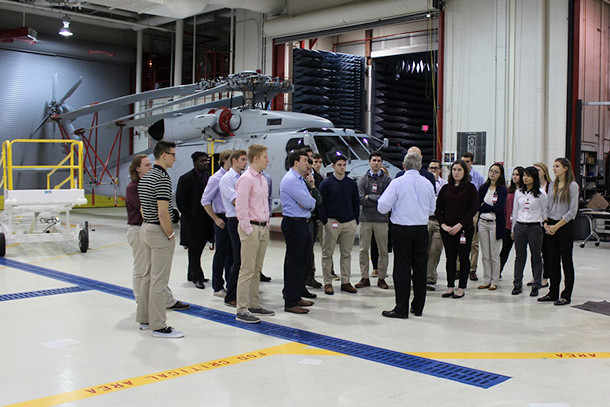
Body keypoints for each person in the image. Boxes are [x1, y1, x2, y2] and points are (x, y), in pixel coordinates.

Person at [126, 154, 189, 312]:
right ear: (138, 168)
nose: (150, 168)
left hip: (150, 228)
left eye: (150, 165)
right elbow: (145, 210)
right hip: (139, 228)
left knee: (157, 269)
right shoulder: (134, 187)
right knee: (142, 268)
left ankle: (166, 300)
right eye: (147, 165)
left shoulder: (148, 184)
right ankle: (141, 300)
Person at [378, 151, 435, 318]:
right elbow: (432, 209)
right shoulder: (427, 183)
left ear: (403, 165)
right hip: (421, 229)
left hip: (401, 228)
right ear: (420, 166)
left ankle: (401, 307)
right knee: (420, 268)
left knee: (402, 268)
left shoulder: (397, 182)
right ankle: (418, 307)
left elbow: (382, 206)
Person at [137, 141, 184, 338]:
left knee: (148, 276)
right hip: (158, 231)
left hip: (145, 228)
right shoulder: (163, 179)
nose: (175, 158)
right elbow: (163, 212)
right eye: (173, 154)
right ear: (163, 155)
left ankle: (144, 318)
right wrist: (170, 234)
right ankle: (158, 325)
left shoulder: (145, 178)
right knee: (159, 280)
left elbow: (142, 208)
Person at [234, 144, 275, 323]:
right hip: (250, 228)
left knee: (257, 269)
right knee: (247, 270)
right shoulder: (246, 179)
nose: (268, 160)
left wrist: (266, 225)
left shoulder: (262, 179)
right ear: (256, 159)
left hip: (262, 227)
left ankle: (254, 303)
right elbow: (241, 208)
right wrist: (249, 229)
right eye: (265, 156)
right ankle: (241, 309)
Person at [280, 149, 321, 314]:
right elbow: (309, 202)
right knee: (294, 264)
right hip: (294, 224)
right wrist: (310, 200)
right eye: (305, 160)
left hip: (303, 222)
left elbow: (311, 201)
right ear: (296, 162)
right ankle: (290, 301)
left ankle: (296, 295)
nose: (308, 163)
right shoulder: (291, 180)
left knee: (302, 262)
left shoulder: (300, 180)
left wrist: (310, 200)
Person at [435, 160, 479, 299]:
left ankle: (461, 287)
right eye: (454, 169)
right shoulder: (446, 188)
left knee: (464, 258)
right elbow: (438, 209)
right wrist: (443, 225)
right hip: (447, 230)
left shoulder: (470, 188)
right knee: (450, 258)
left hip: (463, 229)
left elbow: (473, 209)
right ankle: (450, 286)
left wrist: (460, 224)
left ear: (465, 172)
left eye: (459, 170)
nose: (456, 172)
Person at [539, 158, 579, 306]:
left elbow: (572, 211)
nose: (554, 169)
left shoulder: (572, 186)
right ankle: (553, 292)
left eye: (557, 166)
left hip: (565, 225)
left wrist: (557, 226)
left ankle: (566, 295)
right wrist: (546, 222)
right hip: (551, 224)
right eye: (553, 166)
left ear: (565, 168)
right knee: (552, 260)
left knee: (566, 261)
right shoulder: (553, 185)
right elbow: (548, 205)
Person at [319, 155, 360, 295]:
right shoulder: (326, 184)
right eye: (339, 165)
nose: (342, 167)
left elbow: (356, 203)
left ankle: (346, 282)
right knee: (327, 253)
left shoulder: (351, 184)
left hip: (349, 222)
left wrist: (355, 220)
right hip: (332, 222)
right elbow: (321, 204)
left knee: (346, 254)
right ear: (333, 166)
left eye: (344, 165)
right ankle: (328, 282)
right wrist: (325, 221)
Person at [176, 152, 214, 289]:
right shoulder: (185, 179)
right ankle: (197, 277)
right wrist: (189, 214)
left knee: (199, 248)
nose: (205, 163)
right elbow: (180, 199)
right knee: (194, 249)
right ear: (195, 163)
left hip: (205, 220)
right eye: (202, 161)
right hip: (192, 221)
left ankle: (191, 274)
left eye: (206, 161)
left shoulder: (208, 178)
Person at [356, 151, 392, 290]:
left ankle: (382, 278)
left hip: (382, 220)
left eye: (379, 161)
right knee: (363, 249)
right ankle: (364, 277)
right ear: (369, 162)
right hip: (365, 219)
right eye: (374, 160)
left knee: (383, 250)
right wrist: (378, 198)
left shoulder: (387, 181)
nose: (376, 163)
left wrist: (368, 197)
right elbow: (360, 199)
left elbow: (388, 200)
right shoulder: (363, 180)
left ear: (381, 163)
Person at [511, 166, 548, 297]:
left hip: (534, 227)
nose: (525, 178)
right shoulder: (519, 192)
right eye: (524, 175)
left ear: (534, 178)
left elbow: (545, 212)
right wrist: (513, 229)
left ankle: (536, 284)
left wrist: (545, 226)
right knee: (519, 257)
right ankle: (517, 284)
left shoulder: (541, 194)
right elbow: (515, 211)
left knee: (536, 257)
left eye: (528, 176)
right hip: (520, 226)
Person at [201, 150, 234, 297]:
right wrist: (215, 218)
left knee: (232, 254)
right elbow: (205, 200)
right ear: (226, 160)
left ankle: (231, 282)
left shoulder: (234, 177)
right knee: (221, 252)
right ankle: (217, 285)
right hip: (222, 217)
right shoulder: (216, 179)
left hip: (233, 217)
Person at [219, 150, 248, 307]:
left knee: (243, 259)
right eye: (243, 160)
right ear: (234, 161)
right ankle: (230, 296)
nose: (245, 162)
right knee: (237, 260)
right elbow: (237, 201)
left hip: (244, 219)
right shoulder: (227, 179)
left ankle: (241, 292)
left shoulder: (243, 178)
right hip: (234, 220)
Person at [477, 163, 508, 291]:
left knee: (494, 254)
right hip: (483, 222)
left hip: (495, 223)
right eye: (491, 171)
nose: (492, 173)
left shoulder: (502, 189)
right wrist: (485, 207)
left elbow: (499, 208)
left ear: (500, 174)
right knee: (485, 254)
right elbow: (478, 205)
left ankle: (494, 281)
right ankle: (486, 279)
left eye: (496, 171)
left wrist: (486, 206)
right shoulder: (483, 188)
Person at [460, 152, 484, 282]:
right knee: (459, 240)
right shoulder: (458, 175)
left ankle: (472, 269)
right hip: (459, 212)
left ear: (472, 162)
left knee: (474, 242)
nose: (465, 164)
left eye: (467, 161)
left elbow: (482, 195)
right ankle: (459, 268)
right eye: (463, 161)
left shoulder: (478, 177)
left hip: (474, 212)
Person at [426, 159, 448, 291]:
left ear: (440, 170)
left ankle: (430, 278)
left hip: (439, 221)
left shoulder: (445, 185)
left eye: (435, 168)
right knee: (424, 250)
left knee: (435, 251)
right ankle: (422, 275)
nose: (433, 170)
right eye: (431, 168)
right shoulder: (424, 184)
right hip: (426, 220)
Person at [304, 152, 325, 289]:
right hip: (302, 218)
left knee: (310, 249)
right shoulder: (297, 179)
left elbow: (319, 200)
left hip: (314, 218)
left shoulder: (318, 178)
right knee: (304, 250)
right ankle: (304, 277)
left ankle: (310, 276)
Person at [500, 166, 524, 275]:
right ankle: (498, 272)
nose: (515, 177)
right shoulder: (509, 190)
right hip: (507, 225)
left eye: (517, 174)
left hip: (520, 225)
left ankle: (518, 275)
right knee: (504, 250)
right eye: (513, 174)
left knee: (520, 253)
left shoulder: (524, 192)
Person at [534, 162, 553, 288]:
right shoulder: (532, 187)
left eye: (538, 171)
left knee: (546, 251)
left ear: (544, 172)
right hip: (535, 222)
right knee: (536, 252)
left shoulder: (550, 186)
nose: (536, 173)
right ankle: (536, 276)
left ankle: (545, 277)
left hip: (547, 222)